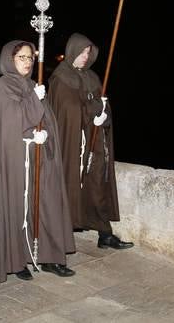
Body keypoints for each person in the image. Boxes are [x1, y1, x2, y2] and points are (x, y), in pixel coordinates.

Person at [0, 40, 76, 282]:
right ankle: (16, 258)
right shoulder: (0, 88)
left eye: (30, 57)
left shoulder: (34, 85)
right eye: (21, 57)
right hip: (16, 159)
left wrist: (46, 136)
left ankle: (49, 255)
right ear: (9, 59)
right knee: (18, 207)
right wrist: (34, 103)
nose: (27, 62)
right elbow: (12, 122)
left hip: (39, 157)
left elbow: (47, 119)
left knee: (46, 204)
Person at [47, 33, 133, 250]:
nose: (85, 57)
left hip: (94, 145)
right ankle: (59, 241)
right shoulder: (61, 77)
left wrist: (103, 114)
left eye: (88, 53)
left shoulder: (92, 77)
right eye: (82, 52)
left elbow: (101, 105)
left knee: (97, 186)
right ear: (72, 50)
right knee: (70, 187)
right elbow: (67, 110)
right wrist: (91, 113)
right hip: (73, 145)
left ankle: (105, 234)